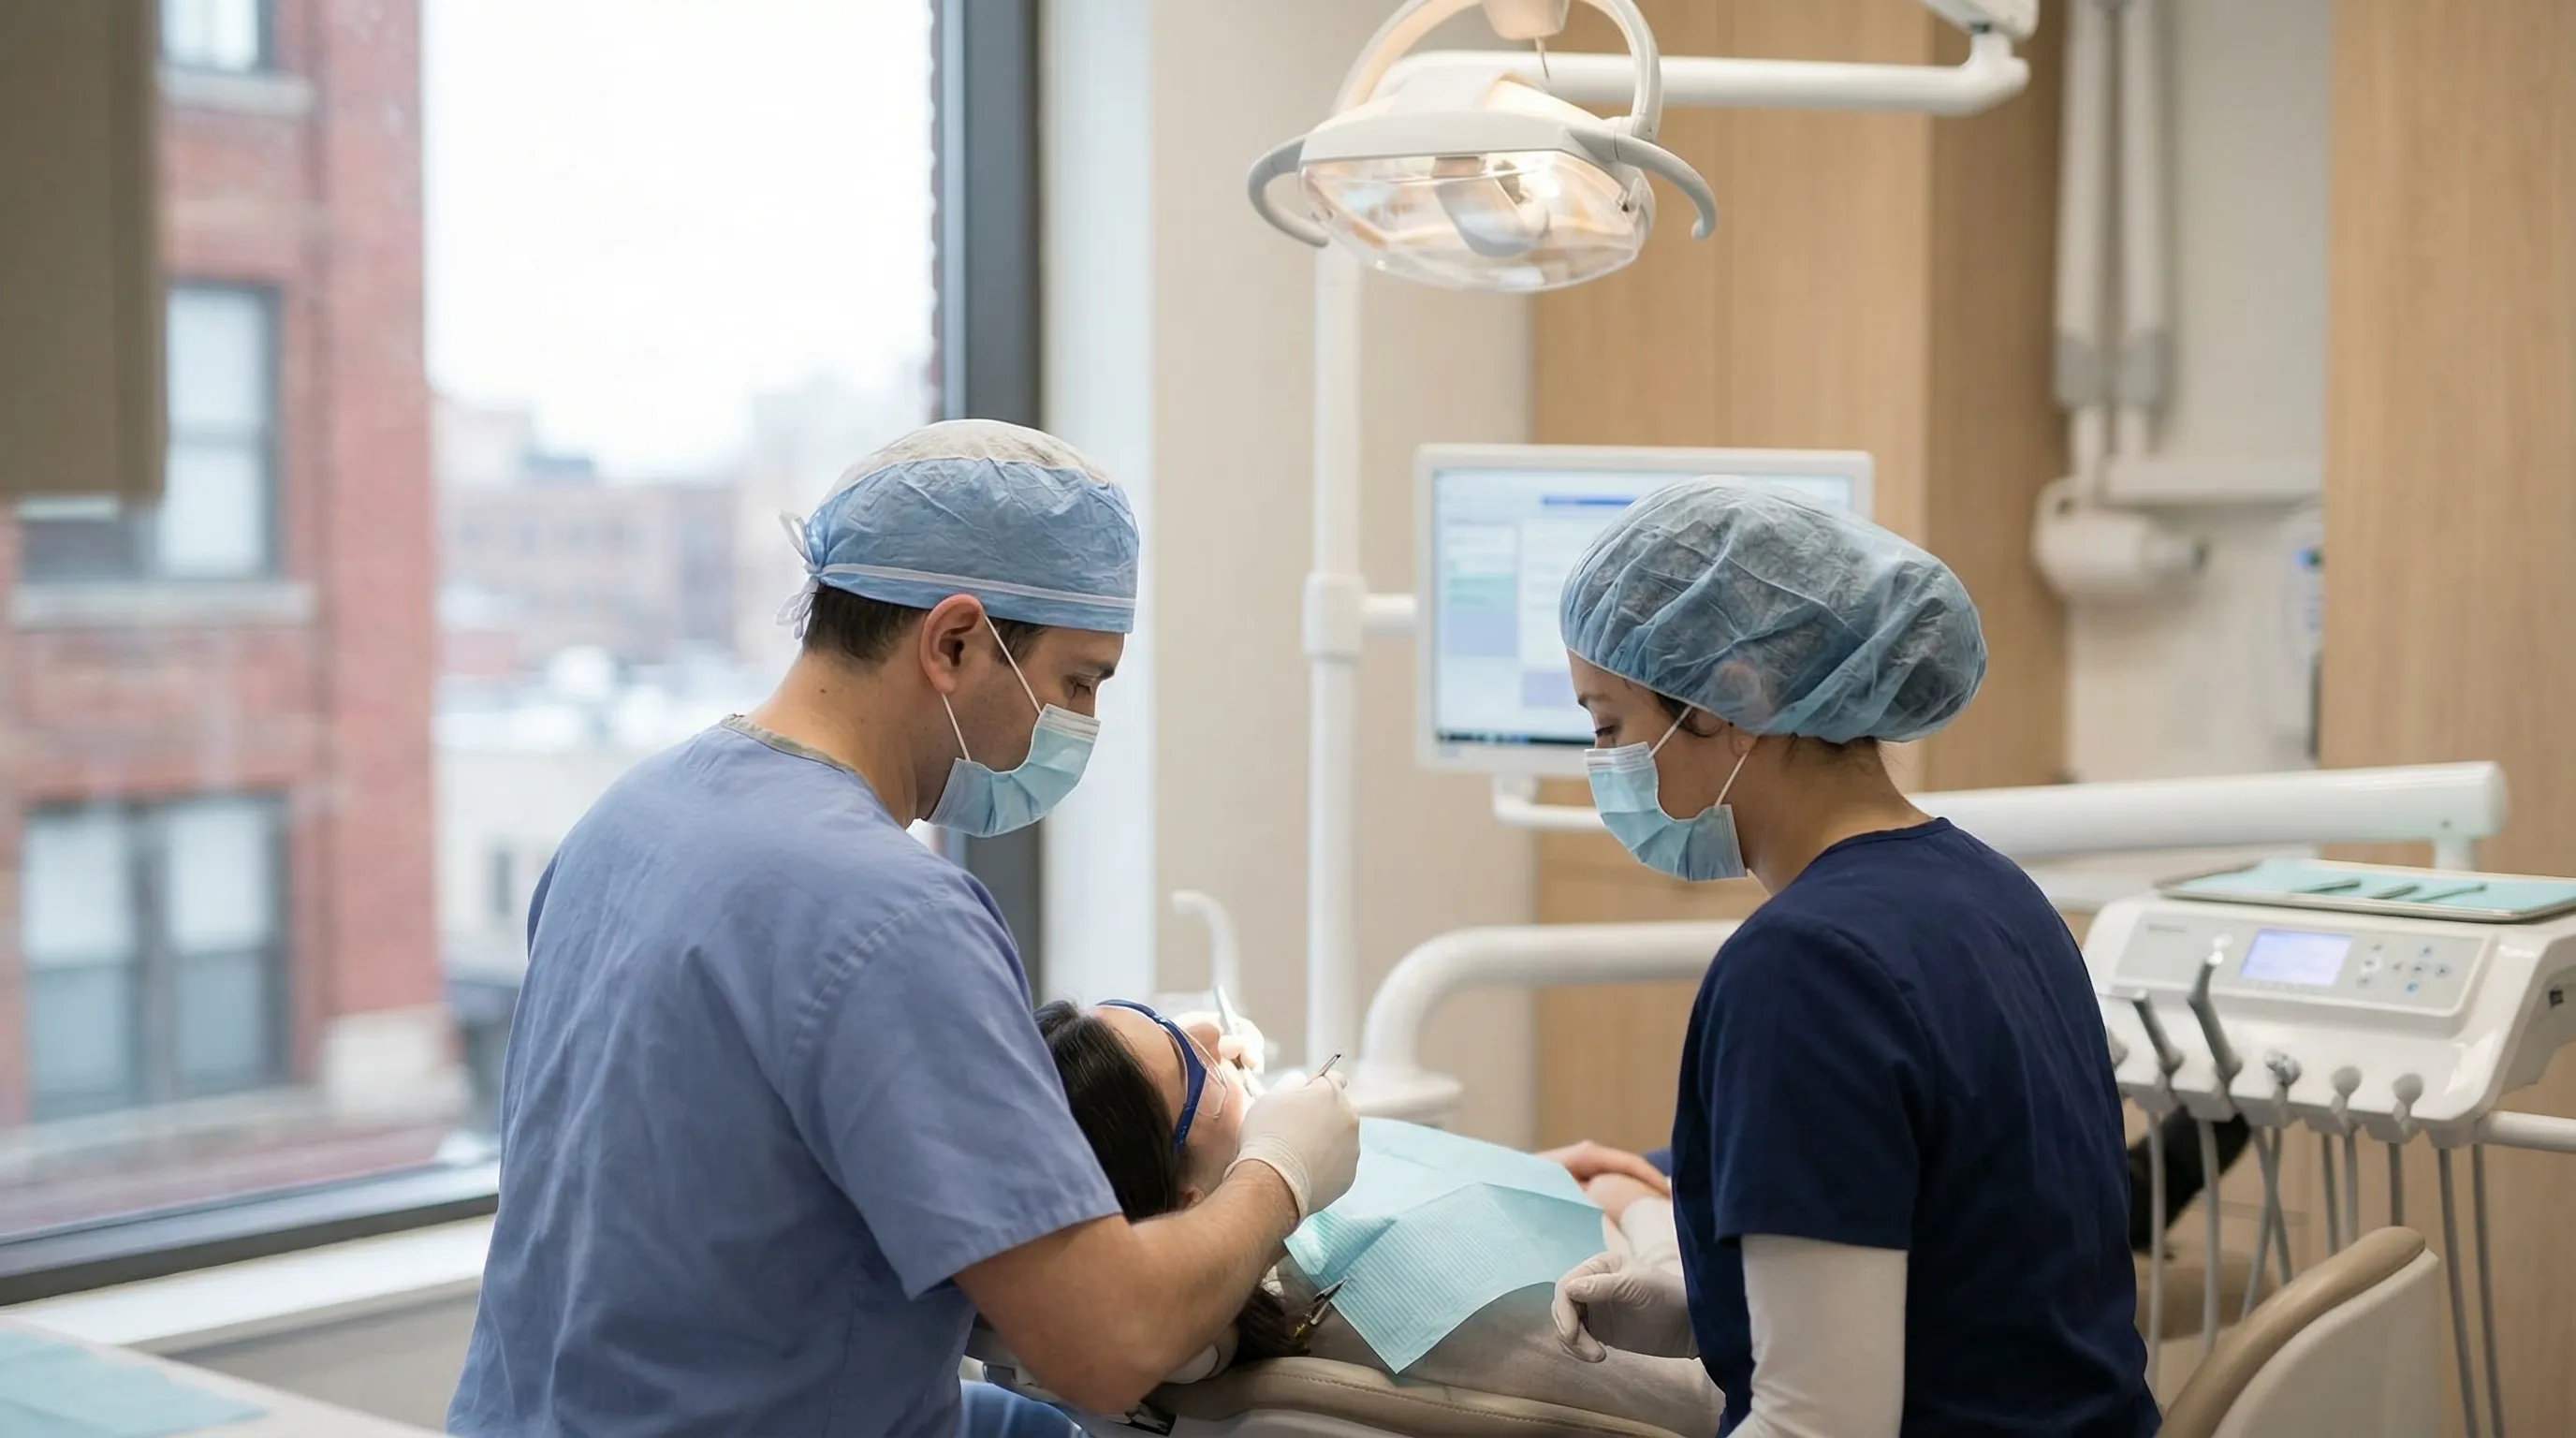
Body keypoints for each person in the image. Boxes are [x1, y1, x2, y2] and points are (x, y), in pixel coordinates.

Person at [448, 421, 1363, 1438]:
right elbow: (1104, 1345)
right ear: (955, 642)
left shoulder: (631, 818)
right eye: (1075, 684)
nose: (1076, 727)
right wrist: (1282, 1169)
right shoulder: (892, 914)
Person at [1545, 481, 2158, 1438]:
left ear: (1729, 700)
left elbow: (1816, 1428)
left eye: (1608, 725)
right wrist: (1701, 1310)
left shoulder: (1803, 970)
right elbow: (1970, 1280)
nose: (1604, 767)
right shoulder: (1994, 894)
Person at [1035, 1000, 1725, 1436]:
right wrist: (1635, 1206)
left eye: (1162, 1018)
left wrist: (1537, 1171)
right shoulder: (1395, 1307)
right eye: (1193, 1067)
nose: (1212, 1030)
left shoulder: (1296, 1241)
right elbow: (1715, 1392)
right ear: (1190, 1202)